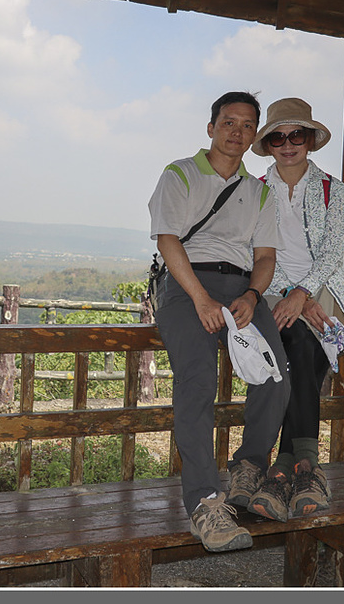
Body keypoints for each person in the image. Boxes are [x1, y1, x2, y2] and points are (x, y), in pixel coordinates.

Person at [148, 91, 290, 552]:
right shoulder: (180, 174)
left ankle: (249, 467)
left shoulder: (260, 191)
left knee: (275, 377)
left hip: (241, 288)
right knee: (198, 380)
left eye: (247, 125)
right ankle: (205, 502)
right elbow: (168, 241)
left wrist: (252, 295)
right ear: (211, 128)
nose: (237, 132)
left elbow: (265, 257)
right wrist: (201, 299)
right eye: (229, 122)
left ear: (254, 135)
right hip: (186, 284)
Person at [240, 97, 344, 522]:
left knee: (299, 367)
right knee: (298, 349)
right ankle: (305, 467)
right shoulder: (254, 190)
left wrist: (305, 295)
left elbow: (333, 251)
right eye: (278, 137)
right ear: (268, 144)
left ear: (310, 140)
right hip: (275, 293)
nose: (288, 144)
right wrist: (292, 294)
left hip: (329, 298)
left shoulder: (333, 190)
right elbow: (252, 253)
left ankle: (280, 470)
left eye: (297, 135)